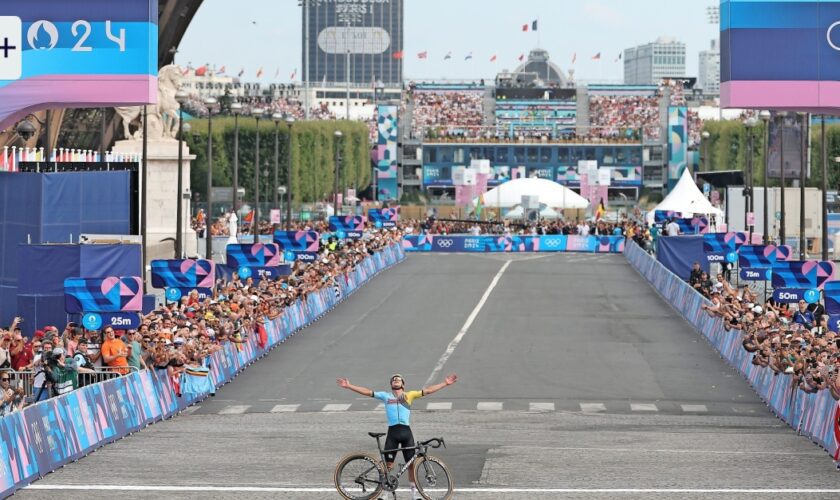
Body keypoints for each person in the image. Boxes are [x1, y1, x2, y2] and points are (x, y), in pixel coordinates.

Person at [337, 373, 458, 500]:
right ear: (391, 384)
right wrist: (349, 386)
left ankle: (414, 496)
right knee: (388, 466)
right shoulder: (385, 396)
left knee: (411, 465)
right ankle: (385, 495)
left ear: (403, 385)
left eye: (398, 380)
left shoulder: (409, 395)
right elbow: (367, 392)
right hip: (392, 433)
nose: (396, 380)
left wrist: (445, 383)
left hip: (406, 433)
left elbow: (428, 390)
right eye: (394, 380)